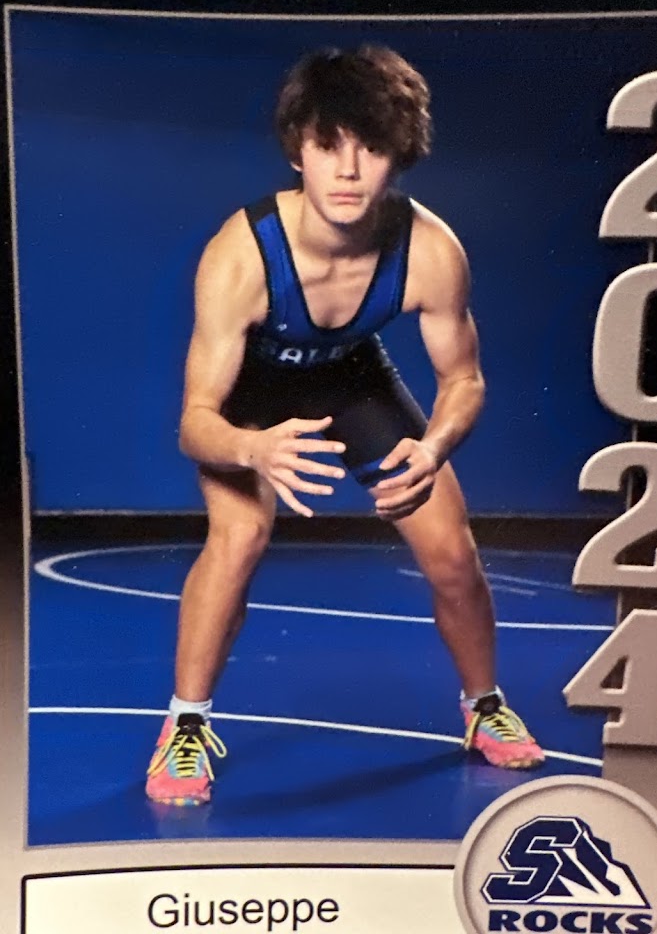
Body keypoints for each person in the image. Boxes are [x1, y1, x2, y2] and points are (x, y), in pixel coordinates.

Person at [145, 45, 544, 806]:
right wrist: (253, 447)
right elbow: (194, 423)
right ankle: (185, 725)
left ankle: (483, 706)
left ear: (401, 155)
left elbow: (464, 380)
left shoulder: (431, 251)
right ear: (298, 151)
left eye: (371, 148)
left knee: (452, 553)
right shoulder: (242, 255)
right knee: (239, 538)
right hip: (250, 397)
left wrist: (433, 447)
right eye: (329, 146)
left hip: (350, 378)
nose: (349, 171)